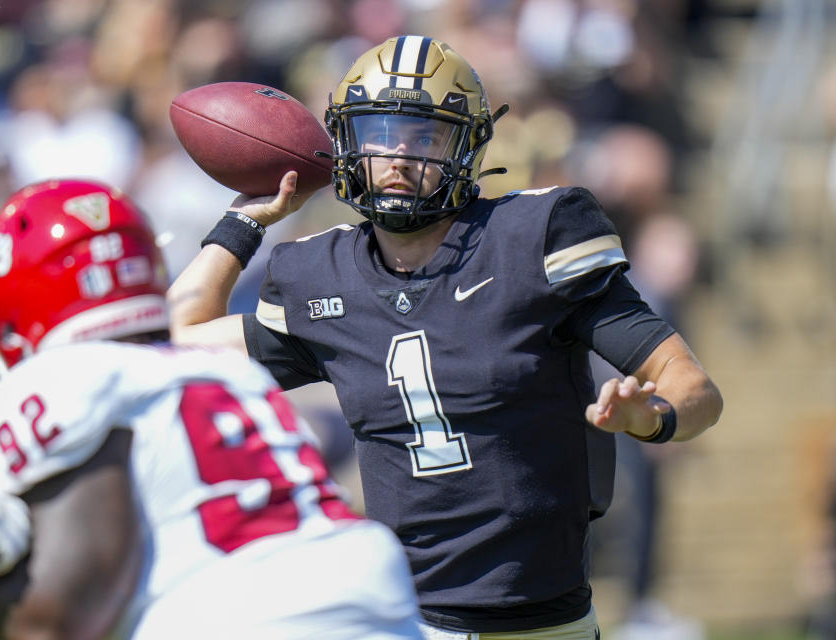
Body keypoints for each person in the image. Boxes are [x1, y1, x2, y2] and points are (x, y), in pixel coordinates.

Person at [168, 35, 724, 639]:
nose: (399, 156)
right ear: (346, 145)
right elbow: (182, 337)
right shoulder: (315, 274)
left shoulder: (534, 237)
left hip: (541, 621)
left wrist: (651, 415)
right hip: (405, 620)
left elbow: (697, 390)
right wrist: (245, 220)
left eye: (425, 135)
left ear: (469, 146)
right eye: (379, 133)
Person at [0, 178, 423, 639]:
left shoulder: (65, 377)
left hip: (243, 617)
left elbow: (60, 618)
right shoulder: (222, 370)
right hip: (378, 593)